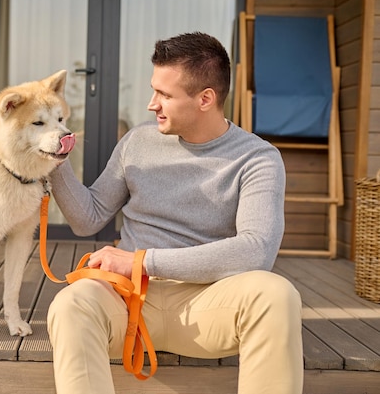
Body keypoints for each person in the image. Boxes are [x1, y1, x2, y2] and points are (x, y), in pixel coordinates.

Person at [46, 32, 303, 394]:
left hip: (206, 305)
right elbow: (88, 217)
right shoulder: (138, 141)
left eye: (165, 95)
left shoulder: (257, 158)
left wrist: (143, 261)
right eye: (154, 91)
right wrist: (56, 163)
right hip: (128, 302)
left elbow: (256, 250)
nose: (152, 104)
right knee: (71, 304)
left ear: (205, 99)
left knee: (276, 294)